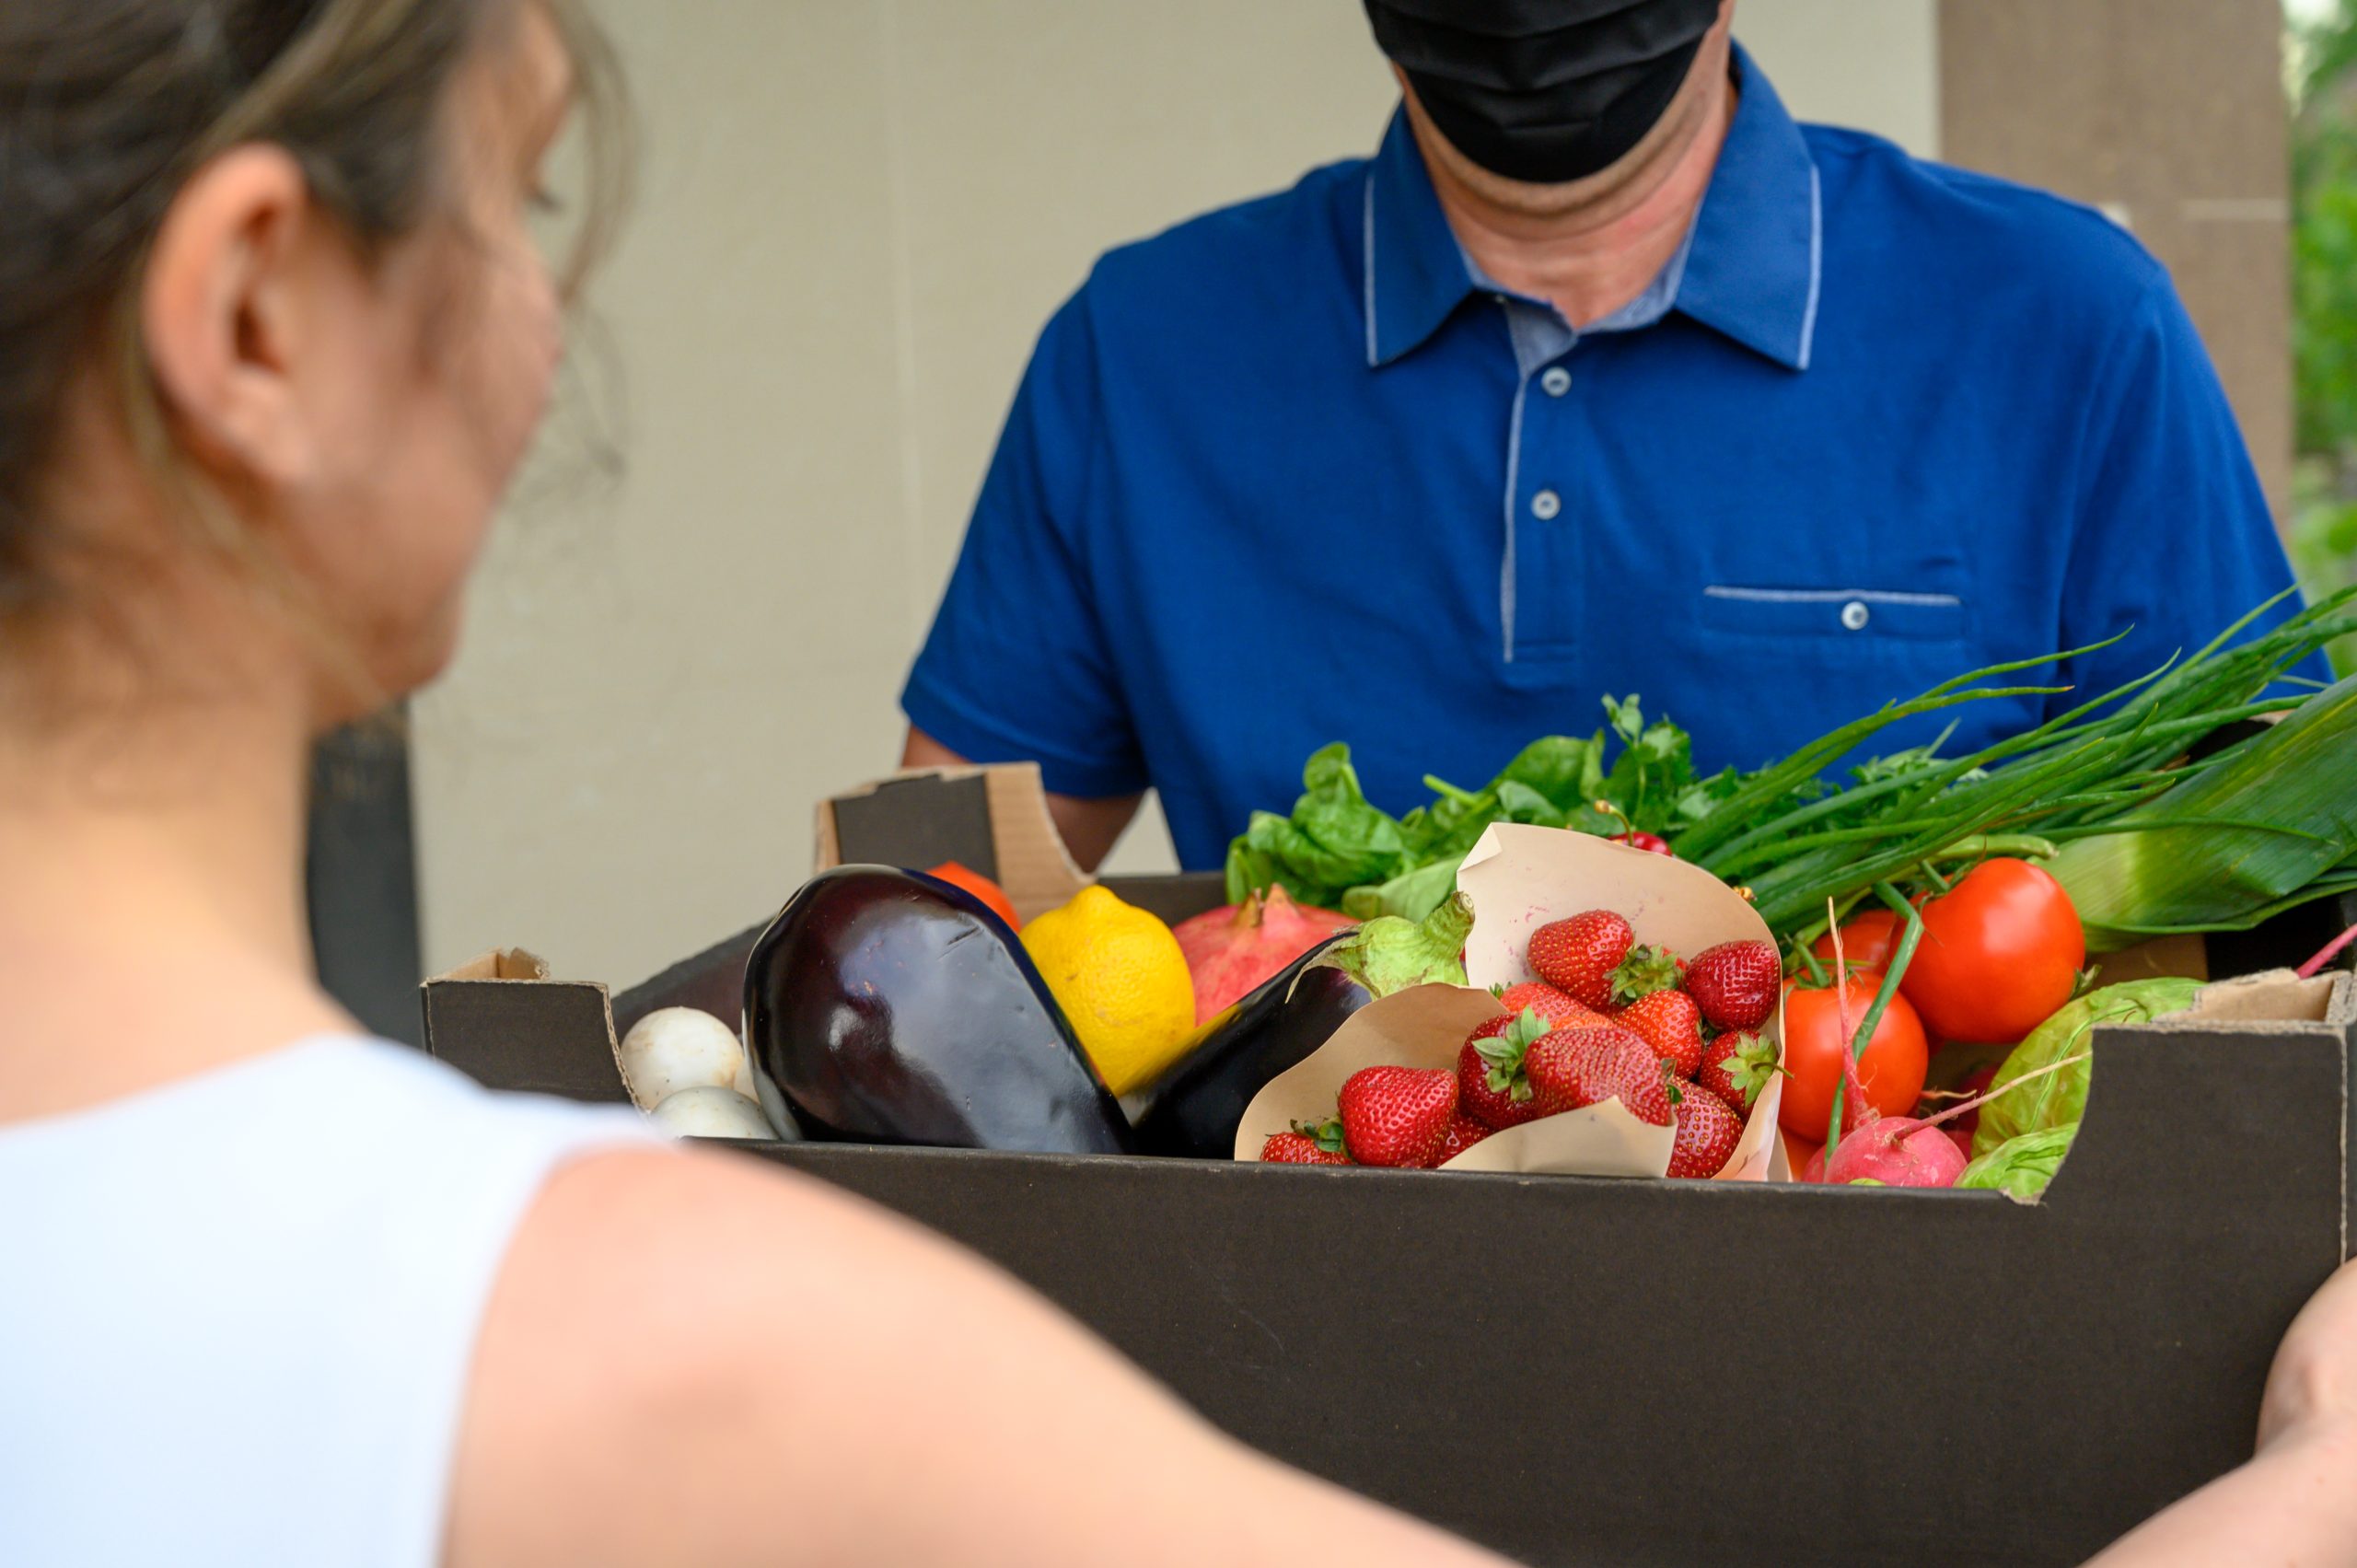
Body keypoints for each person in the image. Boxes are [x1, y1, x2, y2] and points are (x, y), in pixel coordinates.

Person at [1, 4, 2351, 1566]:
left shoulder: (2061, 325)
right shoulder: (651, 1340)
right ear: (253, 317)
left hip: (1933, 1408)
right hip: (1300, 1358)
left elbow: (2275, 939)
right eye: (520, 205)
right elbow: (929, 925)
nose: (545, 325)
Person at [901, 0, 2325, 875]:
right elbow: (926, 887)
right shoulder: (1141, 350)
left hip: (1910, 1290)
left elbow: (2278, 894)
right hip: (1309, 1290)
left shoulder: (2063, 324)